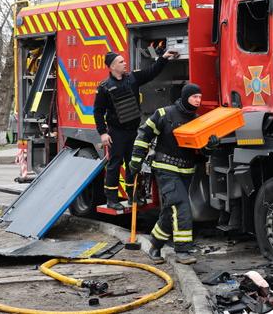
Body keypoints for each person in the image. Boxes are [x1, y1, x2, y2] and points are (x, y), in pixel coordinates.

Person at [129, 83, 218, 265]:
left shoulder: (197, 120)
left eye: (200, 97)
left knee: (170, 212)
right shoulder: (164, 114)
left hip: (186, 171)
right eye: (195, 97)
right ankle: (182, 251)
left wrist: (210, 146)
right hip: (165, 169)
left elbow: (202, 151)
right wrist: (136, 160)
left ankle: (155, 244)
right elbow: (144, 135)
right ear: (186, 97)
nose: (198, 101)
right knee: (181, 207)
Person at [93, 49, 178, 210]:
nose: (125, 63)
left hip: (133, 131)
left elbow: (151, 72)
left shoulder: (132, 78)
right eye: (120, 62)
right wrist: (103, 133)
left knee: (133, 163)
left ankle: (133, 196)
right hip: (116, 132)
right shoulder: (104, 87)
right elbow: (98, 111)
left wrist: (164, 58)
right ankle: (111, 199)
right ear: (112, 66)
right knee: (114, 164)